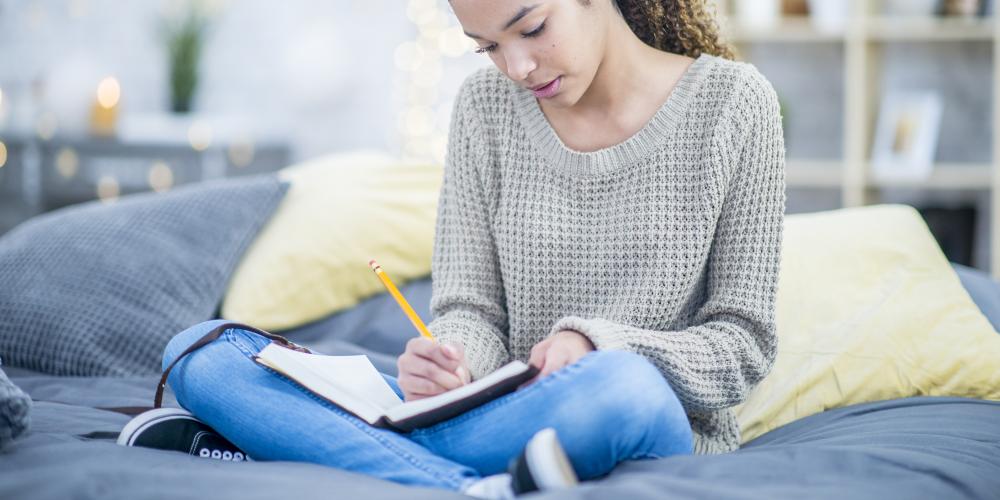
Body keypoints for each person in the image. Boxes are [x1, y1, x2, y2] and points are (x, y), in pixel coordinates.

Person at [123, 1, 786, 498]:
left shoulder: (736, 106)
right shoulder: (486, 108)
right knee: (205, 351)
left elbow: (743, 345)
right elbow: (469, 307)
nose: (517, 68)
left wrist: (595, 345)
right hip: (495, 417)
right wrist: (455, 361)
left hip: (623, 416)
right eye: (487, 47)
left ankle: (312, 449)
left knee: (623, 386)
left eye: (530, 28)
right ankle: (473, 488)